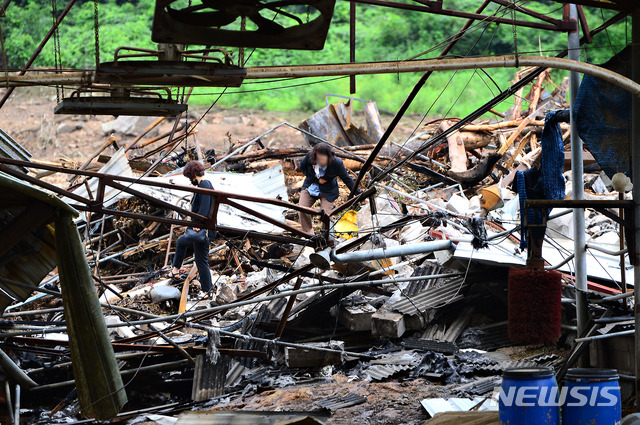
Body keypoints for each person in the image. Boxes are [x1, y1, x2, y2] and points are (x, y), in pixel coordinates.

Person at [170, 161, 214, 294]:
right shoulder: (203, 185)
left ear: (194, 174)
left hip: (202, 230)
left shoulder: (204, 185)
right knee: (198, 259)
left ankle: (208, 291)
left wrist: (198, 225)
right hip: (202, 229)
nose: (191, 181)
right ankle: (175, 271)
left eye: (190, 178)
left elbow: (205, 208)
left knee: (201, 261)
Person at [298, 143, 359, 233]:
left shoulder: (337, 163)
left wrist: (359, 194)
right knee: (302, 208)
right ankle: (309, 232)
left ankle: (325, 235)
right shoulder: (309, 157)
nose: (321, 161)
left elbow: (347, 179)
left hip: (328, 190)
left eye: (323, 159)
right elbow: (302, 168)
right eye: (319, 159)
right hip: (310, 186)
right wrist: (315, 178)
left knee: (326, 214)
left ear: (328, 157)